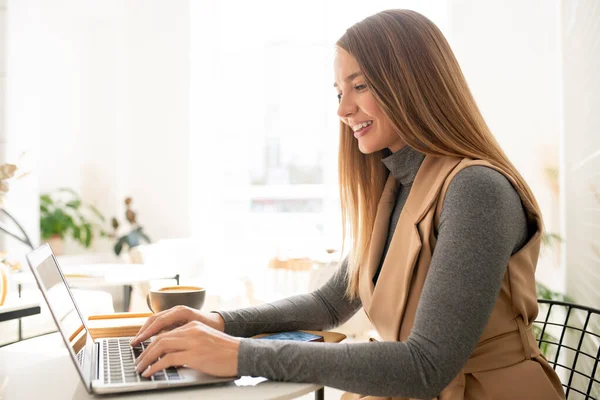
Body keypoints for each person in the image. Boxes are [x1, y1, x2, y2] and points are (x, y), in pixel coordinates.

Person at [131, 9, 566, 400]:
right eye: (338, 92)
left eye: (359, 86)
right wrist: (221, 323)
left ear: (413, 84)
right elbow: (330, 304)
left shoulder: (476, 190)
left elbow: (426, 366)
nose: (343, 109)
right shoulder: (394, 186)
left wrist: (242, 355)